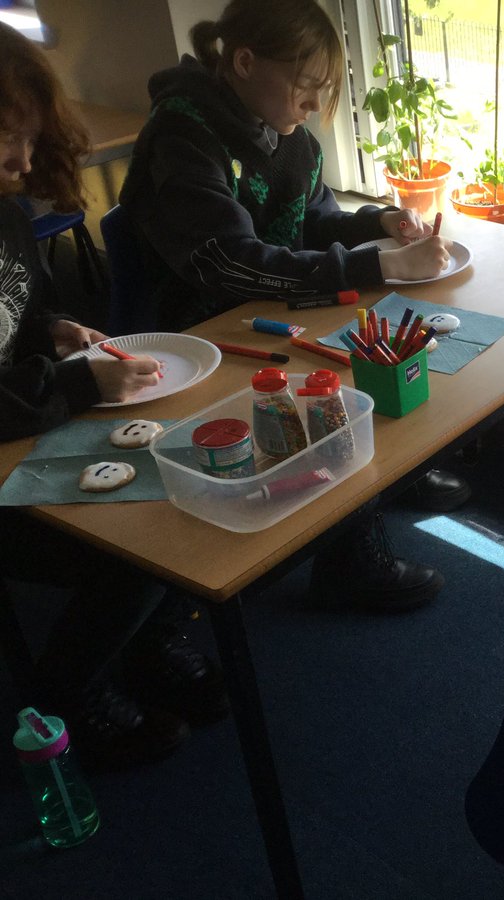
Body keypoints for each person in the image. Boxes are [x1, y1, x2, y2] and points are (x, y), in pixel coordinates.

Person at [119, 0, 465, 611]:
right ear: (245, 63)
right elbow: (229, 264)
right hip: (205, 328)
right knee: (329, 388)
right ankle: (349, 558)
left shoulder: (285, 134)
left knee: (377, 352)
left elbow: (314, 220)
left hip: (275, 303)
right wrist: (380, 265)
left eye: (322, 90)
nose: (313, 105)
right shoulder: (184, 136)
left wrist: (378, 223)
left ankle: (388, 477)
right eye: (305, 86)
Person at [0, 22, 228, 769]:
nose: (22, 163)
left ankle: (148, 643)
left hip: (28, 423)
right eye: (6, 140)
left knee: (181, 476)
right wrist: (75, 381)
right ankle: (67, 692)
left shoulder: (5, 214)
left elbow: (17, 314)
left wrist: (53, 329)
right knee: (135, 546)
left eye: (29, 140)